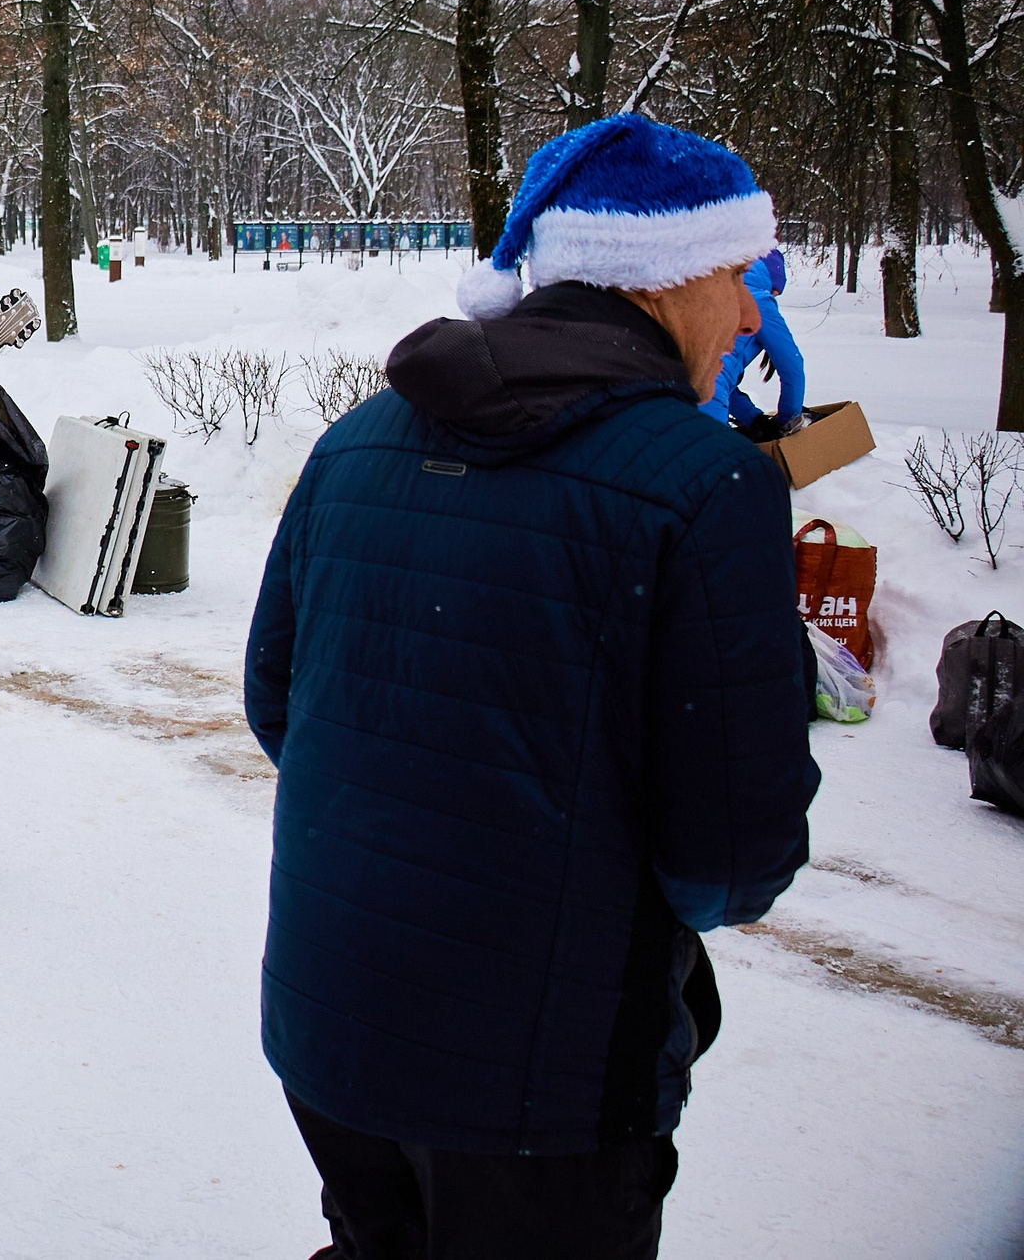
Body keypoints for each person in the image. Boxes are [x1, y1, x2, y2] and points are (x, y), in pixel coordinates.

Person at [244, 113, 819, 1260]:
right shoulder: (705, 488)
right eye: (738, 277)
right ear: (659, 278)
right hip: (538, 1086)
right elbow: (732, 859)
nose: (752, 314)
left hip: (331, 1026)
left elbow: (279, 705)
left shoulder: (360, 440)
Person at [705, 249, 806, 437]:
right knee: (719, 463)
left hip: (669, 391)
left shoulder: (712, 291)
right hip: (706, 395)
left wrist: (753, 418)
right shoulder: (758, 301)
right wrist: (787, 419)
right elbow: (792, 366)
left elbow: (715, 375)